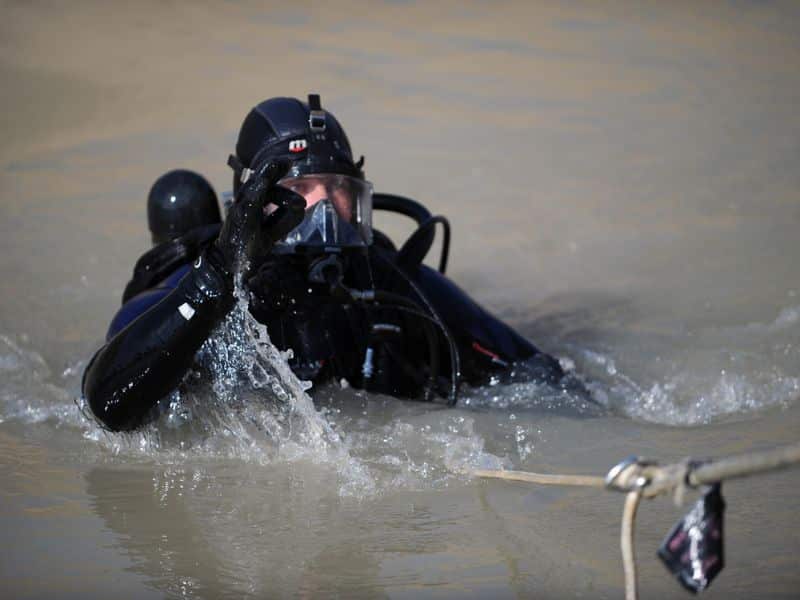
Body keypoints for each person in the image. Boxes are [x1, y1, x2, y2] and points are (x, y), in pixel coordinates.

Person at [83, 94, 572, 432]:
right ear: (252, 201)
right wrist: (217, 278)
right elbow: (107, 406)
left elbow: (541, 377)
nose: (324, 210)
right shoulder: (201, 284)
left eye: (337, 190)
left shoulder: (387, 281)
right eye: (300, 190)